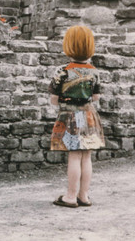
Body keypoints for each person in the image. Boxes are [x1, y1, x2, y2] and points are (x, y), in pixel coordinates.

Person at [49, 25, 105, 208]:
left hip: (70, 116)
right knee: (86, 156)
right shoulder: (94, 71)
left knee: (74, 156)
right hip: (89, 115)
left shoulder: (62, 71)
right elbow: (96, 97)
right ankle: (84, 196)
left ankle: (70, 196)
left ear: (68, 45)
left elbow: (54, 100)